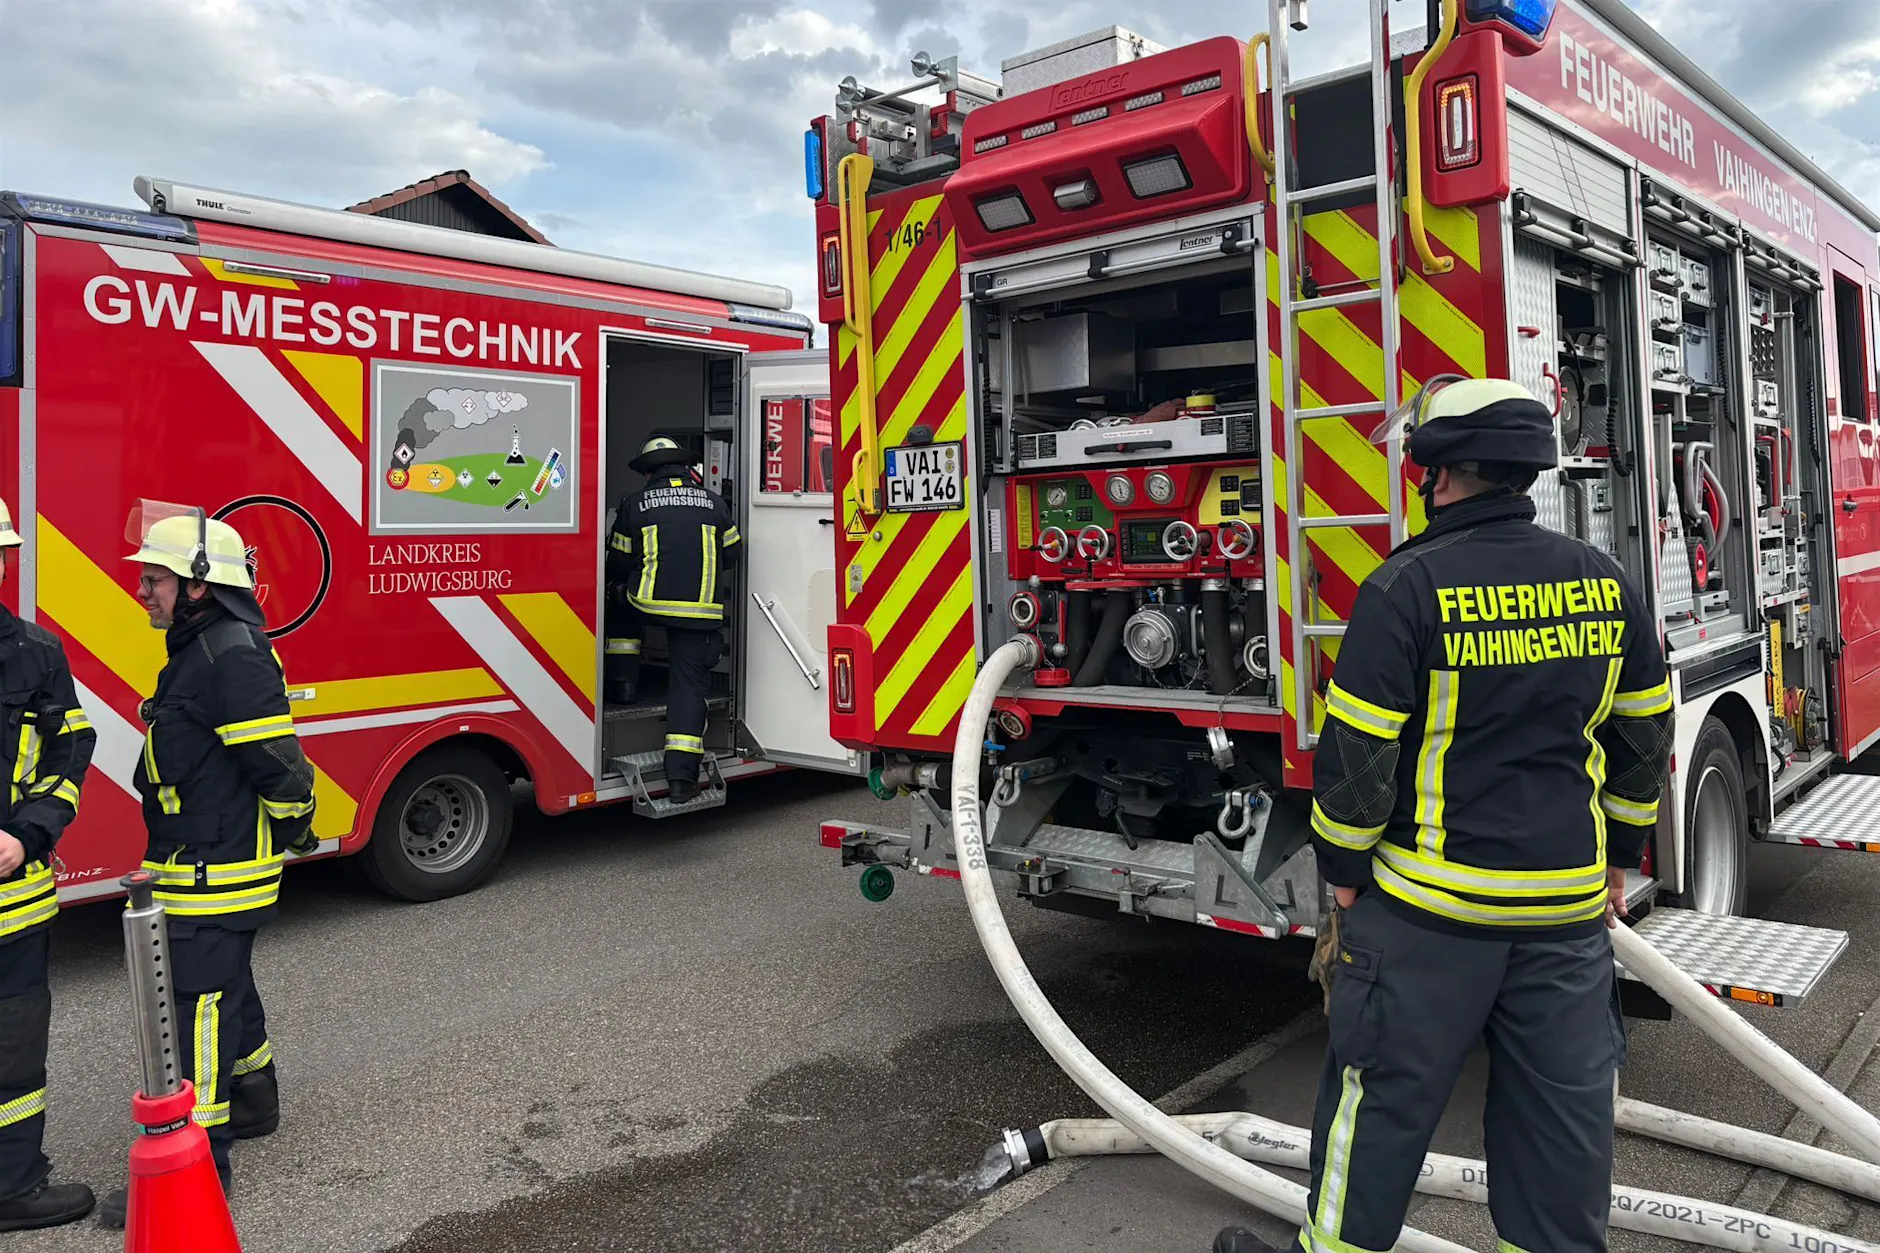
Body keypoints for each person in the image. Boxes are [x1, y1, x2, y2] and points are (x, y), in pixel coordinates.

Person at [1215, 378, 1672, 1253]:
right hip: (1564, 920)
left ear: (1440, 474)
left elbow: (1356, 762)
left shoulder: (1404, 589)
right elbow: (1645, 737)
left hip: (1430, 917)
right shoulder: (1605, 583)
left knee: (1376, 1105)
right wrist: (1619, 850)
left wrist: (1344, 878)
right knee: (1562, 1134)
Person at [99, 502, 318, 1228]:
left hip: (216, 867)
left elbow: (276, 762)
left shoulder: (232, 651)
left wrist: (297, 825)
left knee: (199, 1005)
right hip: (194, 857)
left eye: (154, 579)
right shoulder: (203, 646)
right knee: (226, 984)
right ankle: (255, 1102)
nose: (142, 591)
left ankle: (200, 1161)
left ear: (197, 584)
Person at [0, 500, 98, 1232]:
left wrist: (28, 833)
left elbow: (73, 746)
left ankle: (14, 1183)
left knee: (15, 1048)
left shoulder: (36, 651)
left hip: (15, 902)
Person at [605, 436, 741, 803]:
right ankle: (681, 782)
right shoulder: (714, 502)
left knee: (616, 596)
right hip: (698, 613)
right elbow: (732, 554)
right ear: (686, 469)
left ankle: (623, 685)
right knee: (687, 689)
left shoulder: (634, 504)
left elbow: (616, 562)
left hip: (645, 603)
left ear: (648, 472)